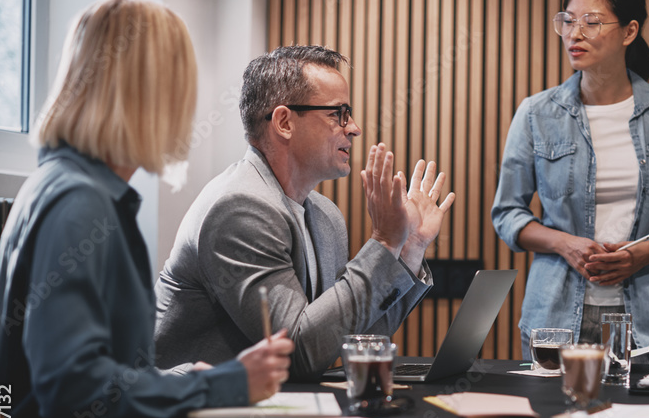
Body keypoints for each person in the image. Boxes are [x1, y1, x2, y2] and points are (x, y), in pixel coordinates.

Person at [0, 0, 294, 418]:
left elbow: (94, 369)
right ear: (151, 93)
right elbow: (71, 387)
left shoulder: (65, 185)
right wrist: (225, 385)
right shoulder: (81, 204)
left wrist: (185, 378)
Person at [154, 45, 454, 379]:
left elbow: (343, 339)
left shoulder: (326, 216)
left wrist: (409, 248)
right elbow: (298, 352)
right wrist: (384, 243)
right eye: (338, 113)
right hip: (186, 415)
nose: (353, 127)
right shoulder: (239, 209)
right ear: (283, 122)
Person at [491, 0, 649, 362]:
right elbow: (507, 214)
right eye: (568, 21)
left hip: (645, 319)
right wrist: (565, 244)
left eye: (591, 22)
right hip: (555, 316)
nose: (574, 34)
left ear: (629, 32)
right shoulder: (536, 113)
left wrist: (643, 253)